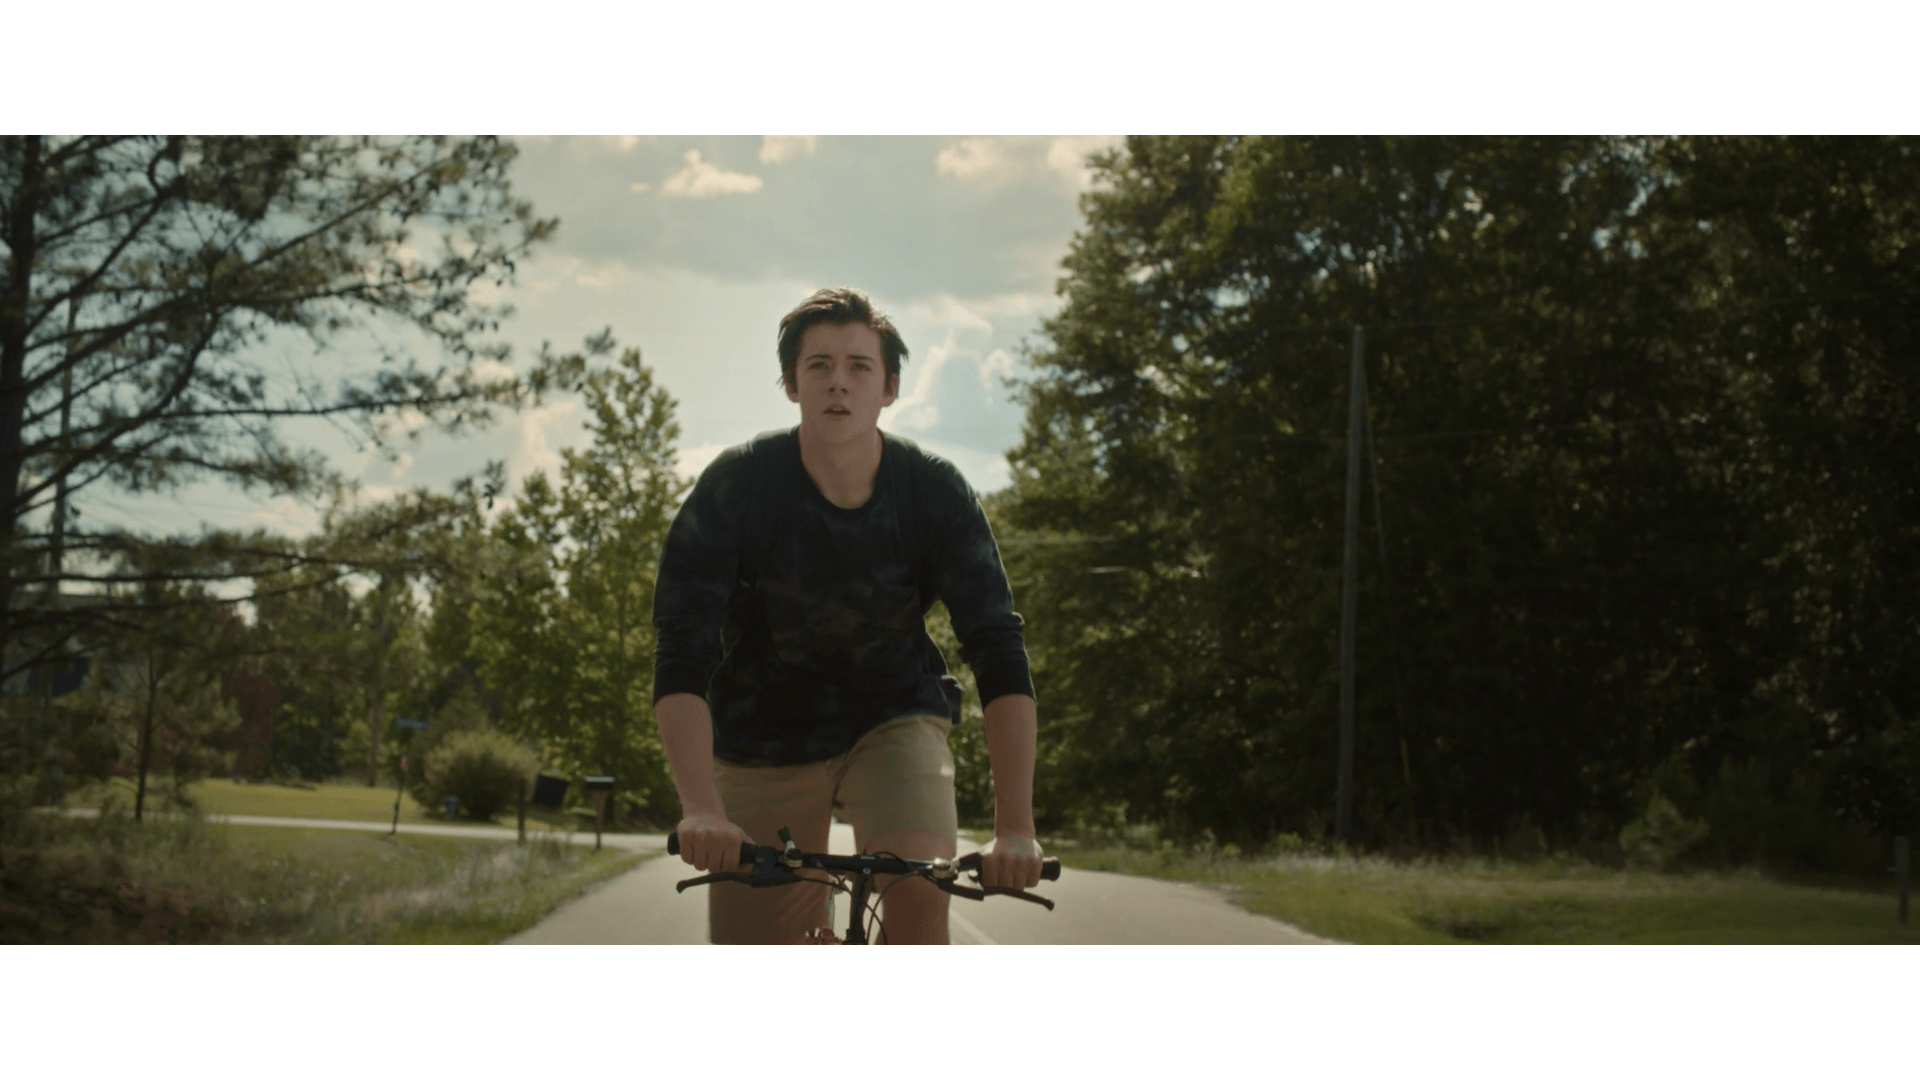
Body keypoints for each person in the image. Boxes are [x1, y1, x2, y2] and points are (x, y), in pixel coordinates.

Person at [652, 286, 1043, 945]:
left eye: (859, 367)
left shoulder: (934, 491)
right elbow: (683, 651)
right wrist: (700, 812)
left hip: (893, 717)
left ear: (890, 387)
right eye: (819, 366)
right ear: (789, 383)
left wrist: (1015, 829)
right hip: (760, 734)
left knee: (920, 890)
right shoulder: (737, 487)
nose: (839, 384)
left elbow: (998, 650)